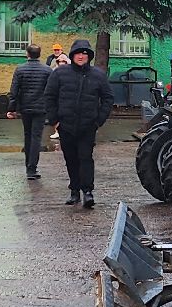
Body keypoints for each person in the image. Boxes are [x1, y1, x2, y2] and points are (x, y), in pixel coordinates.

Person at [43, 39, 112, 208]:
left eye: (85, 53)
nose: (81, 56)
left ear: (89, 56)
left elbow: (108, 98)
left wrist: (98, 120)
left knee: (85, 158)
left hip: (88, 126)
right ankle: (74, 191)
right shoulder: (60, 74)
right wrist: (55, 121)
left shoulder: (98, 75)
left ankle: (87, 192)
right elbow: (49, 96)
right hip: (65, 125)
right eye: (78, 53)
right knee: (71, 159)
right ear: (72, 55)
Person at [6, 44, 50, 180]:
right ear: (40, 54)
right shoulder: (47, 70)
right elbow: (51, 91)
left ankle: (28, 166)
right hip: (41, 108)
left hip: (25, 107)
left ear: (27, 54)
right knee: (36, 137)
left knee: (27, 135)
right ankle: (32, 168)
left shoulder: (20, 69)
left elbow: (14, 91)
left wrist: (11, 109)